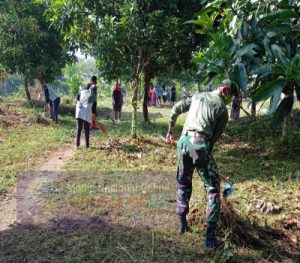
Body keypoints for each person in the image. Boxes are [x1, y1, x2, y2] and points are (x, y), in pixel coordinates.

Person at [165, 80, 237, 249]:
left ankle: (182, 225)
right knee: (212, 190)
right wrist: (204, 160)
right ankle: (210, 239)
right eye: (230, 95)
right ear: (226, 90)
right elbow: (212, 141)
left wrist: (170, 131)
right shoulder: (222, 110)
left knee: (183, 184)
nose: (229, 99)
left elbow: (176, 109)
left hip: (183, 142)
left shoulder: (197, 96)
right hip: (200, 144)